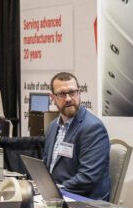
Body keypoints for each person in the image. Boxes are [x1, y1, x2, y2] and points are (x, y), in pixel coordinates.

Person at [41, 72, 111, 200]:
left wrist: (55, 190)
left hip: (85, 204)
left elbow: (87, 178)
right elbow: (47, 167)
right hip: (59, 198)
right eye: (61, 94)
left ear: (79, 93)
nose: (68, 99)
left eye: (72, 92)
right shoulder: (52, 127)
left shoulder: (93, 128)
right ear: (53, 97)